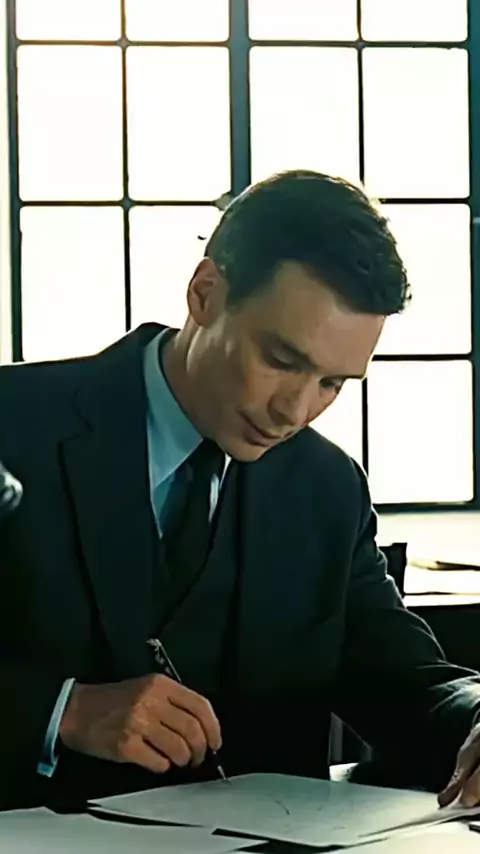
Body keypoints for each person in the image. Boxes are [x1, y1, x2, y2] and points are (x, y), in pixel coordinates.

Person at [1, 170, 479, 812]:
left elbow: (407, 680)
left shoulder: (327, 489)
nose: (295, 411)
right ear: (205, 293)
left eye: (332, 383)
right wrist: (60, 711)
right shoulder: (12, 427)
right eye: (281, 360)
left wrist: (477, 715)